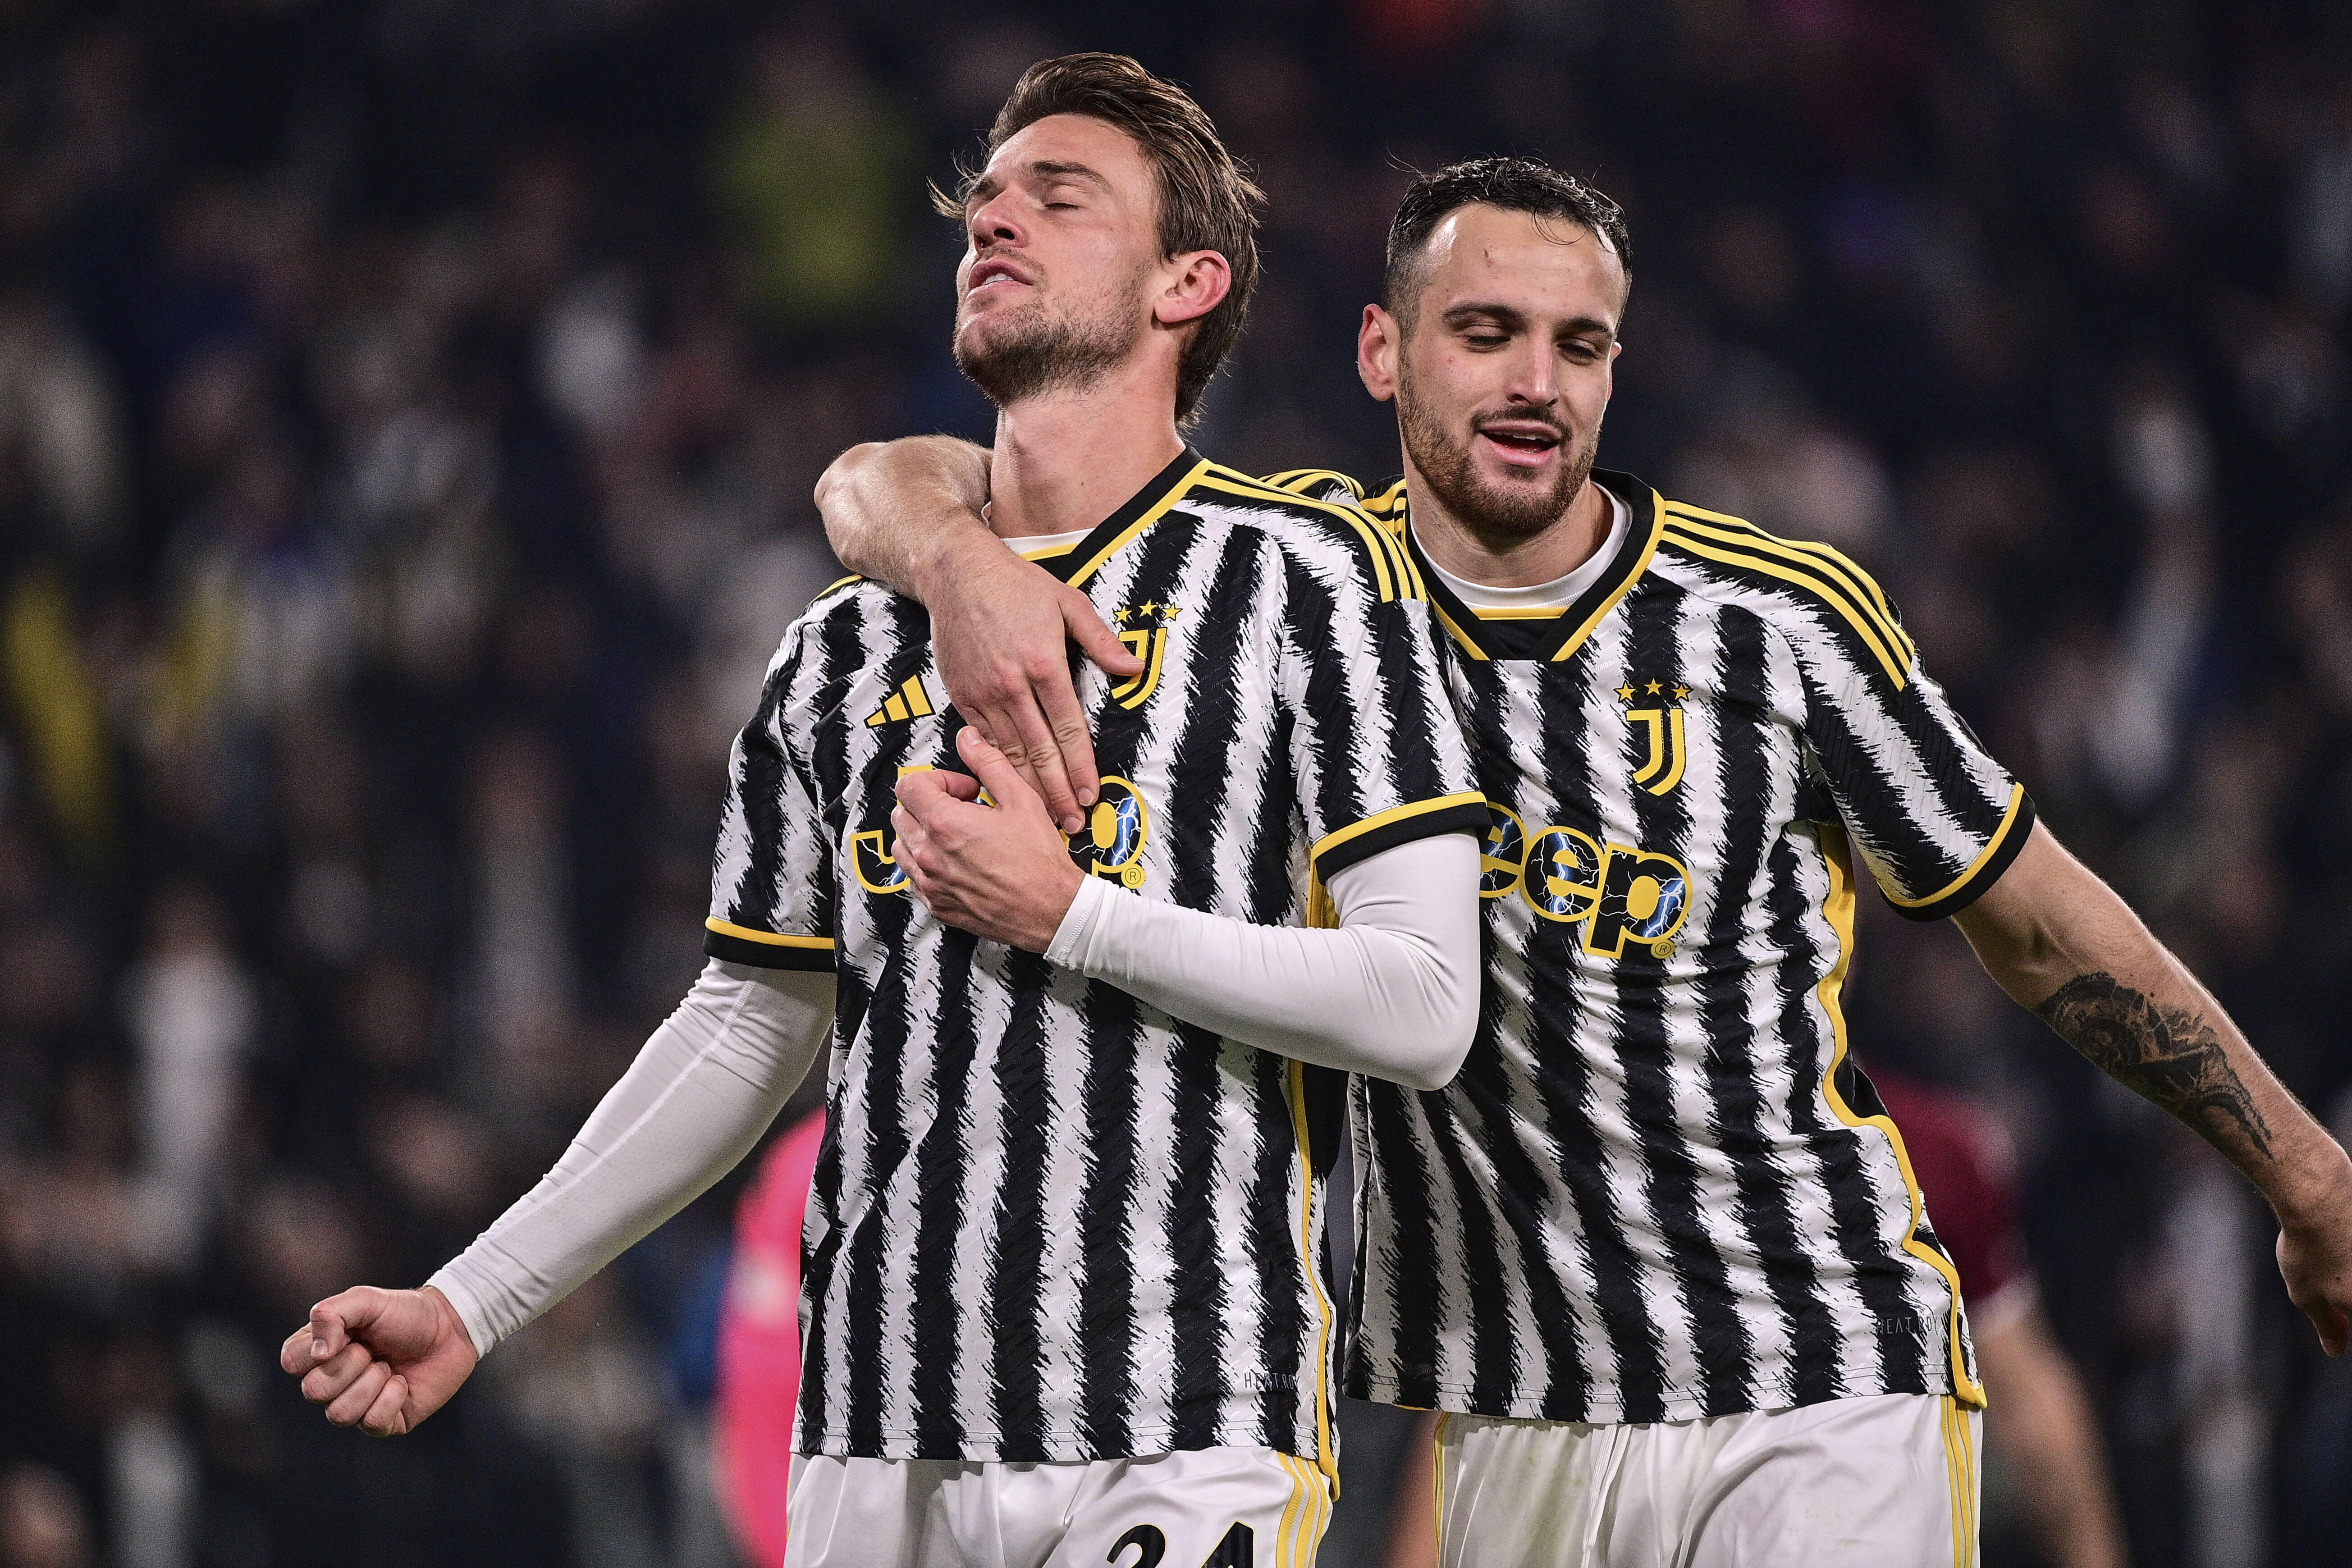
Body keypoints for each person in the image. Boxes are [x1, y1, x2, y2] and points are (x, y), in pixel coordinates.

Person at [814, 155, 2352, 1567]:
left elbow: (2028, 918)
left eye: (1580, 344)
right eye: (1483, 331)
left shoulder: (1775, 624)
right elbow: (880, 479)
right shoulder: (1276, 593)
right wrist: (960, 565)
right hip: (1503, 1422)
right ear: (1380, 353)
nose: (1535, 382)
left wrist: (2305, 1176)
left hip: (1816, 1374)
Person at [276, 54, 1492, 1568]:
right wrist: (475, 1296)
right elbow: (747, 1020)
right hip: (868, 1439)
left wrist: (1071, 916)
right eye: (982, 199)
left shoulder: (1313, 586)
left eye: (1059, 197)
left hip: (1181, 1420)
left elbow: (1427, 1003)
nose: (993, 221)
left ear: (1191, 284)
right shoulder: (843, 643)